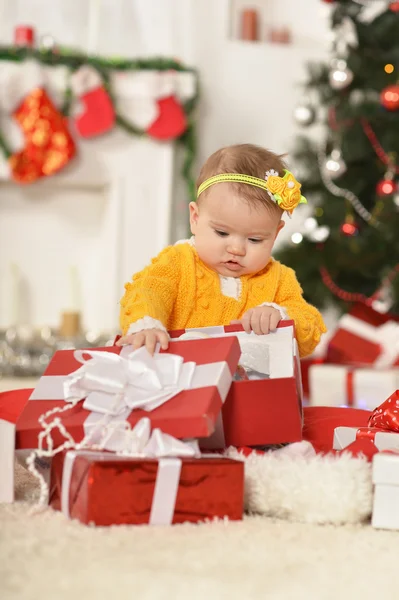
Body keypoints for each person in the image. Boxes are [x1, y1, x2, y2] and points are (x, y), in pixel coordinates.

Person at [117, 143, 326, 355]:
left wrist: (280, 316)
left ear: (275, 234)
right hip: (183, 380)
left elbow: (310, 326)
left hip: (249, 385)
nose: (236, 249)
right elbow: (148, 290)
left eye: (254, 239)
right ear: (195, 218)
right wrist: (147, 323)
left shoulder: (279, 279)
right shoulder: (178, 262)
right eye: (222, 233)